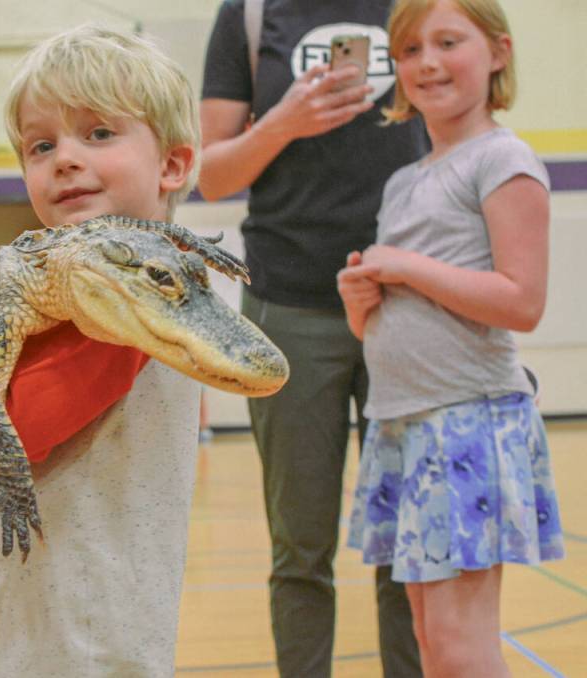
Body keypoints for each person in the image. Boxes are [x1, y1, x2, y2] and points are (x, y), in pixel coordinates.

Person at [0, 25, 207, 676]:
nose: (65, 159)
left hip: (81, 645)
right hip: (11, 625)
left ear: (172, 165)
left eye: (99, 133)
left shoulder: (137, 295)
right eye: (41, 145)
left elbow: (15, 422)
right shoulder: (56, 294)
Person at [198, 2, 430, 676]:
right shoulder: (249, 14)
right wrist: (284, 121)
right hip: (290, 305)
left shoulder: (416, 9)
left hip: (410, 306)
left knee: (409, 547)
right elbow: (212, 176)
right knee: (300, 550)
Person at [338, 0, 565, 675]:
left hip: (467, 421)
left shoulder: (503, 159)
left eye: (447, 42)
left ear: (497, 52)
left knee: (462, 649)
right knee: (434, 643)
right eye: (410, 50)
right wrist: (360, 304)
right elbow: (387, 324)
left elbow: (522, 302)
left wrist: (407, 267)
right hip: (403, 425)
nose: (428, 63)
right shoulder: (404, 182)